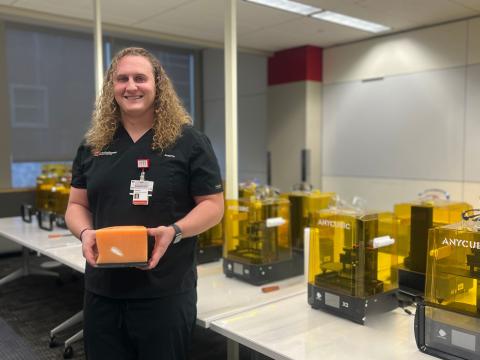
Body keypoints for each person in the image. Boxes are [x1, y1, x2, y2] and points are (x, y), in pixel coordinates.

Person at [65, 47, 224, 360]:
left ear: (157, 85)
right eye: (122, 79)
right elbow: (76, 205)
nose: (131, 86)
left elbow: (213, 206)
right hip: (103, 289)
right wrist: (85, 233)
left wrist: (175, 230)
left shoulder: (189, 142)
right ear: (112, 88)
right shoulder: (93, 145)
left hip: (164, 290)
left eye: (140, 78)